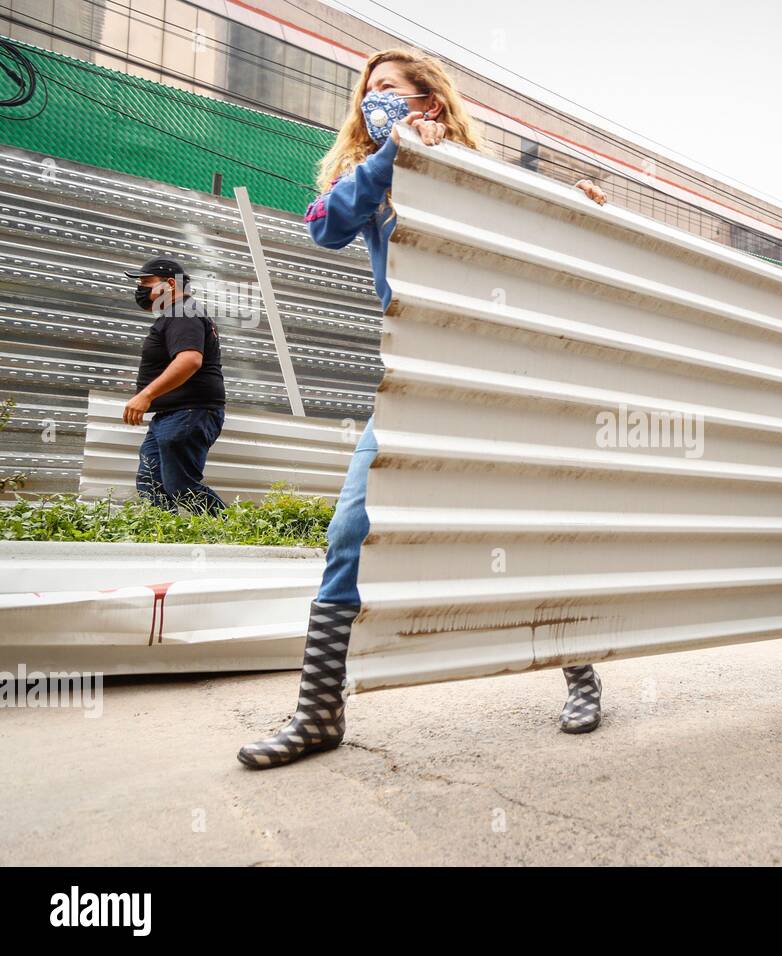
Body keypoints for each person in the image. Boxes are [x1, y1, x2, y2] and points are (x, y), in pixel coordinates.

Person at [239, 49, 611, 770]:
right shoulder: (370, 179)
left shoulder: (483, 176)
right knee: (351, 529)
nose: (370, 104)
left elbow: (546, 247)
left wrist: (585, 212)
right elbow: (325, 225)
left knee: (526, 534)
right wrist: (395, 156)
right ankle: (319, 714)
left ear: (429, 103)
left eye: (387, 91)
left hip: (498, 382)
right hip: (415, 379)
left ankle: (581, 673)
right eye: (366, 95)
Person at [124, 256, 226, 513]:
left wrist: (146, 395)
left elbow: (190, 360)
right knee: (151, 484)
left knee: (181, 486)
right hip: (172, 415)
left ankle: (230, 533)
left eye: (147, 283)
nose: (140, 289)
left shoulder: (183, 312)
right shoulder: (176, 313)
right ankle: (166, 542)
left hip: (190, 412)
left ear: (171, 283)